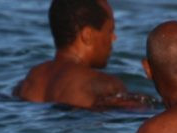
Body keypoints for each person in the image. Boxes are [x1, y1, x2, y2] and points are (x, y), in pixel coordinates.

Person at [15, 0, 151, 109]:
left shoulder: (30, 79)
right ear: (87, 35)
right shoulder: (104, 84)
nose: (114, 38)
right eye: (110, 30)